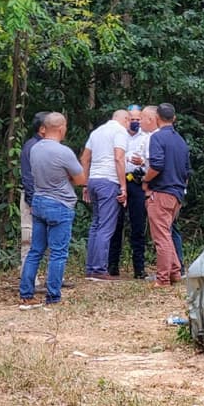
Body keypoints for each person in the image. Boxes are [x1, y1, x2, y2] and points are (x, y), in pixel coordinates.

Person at [19, 113, 87, 308]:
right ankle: (53, 296)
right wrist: (68, 177)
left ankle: (26, 294)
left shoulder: (34, 148)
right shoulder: (63, 152)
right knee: (58, 252)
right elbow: (81, 180)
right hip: (60, 204)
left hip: (39, 201)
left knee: (35, 251)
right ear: (61, 128)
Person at [142, 103, 191, 288]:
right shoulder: (180, 141)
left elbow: (157, 165)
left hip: (161, 192)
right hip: (177, 193)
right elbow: (187, 172)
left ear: (156, 118)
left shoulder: (157, 138)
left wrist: (145, 181)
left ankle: (162, 279)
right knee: (167, 234)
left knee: (161, 237)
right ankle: (175, 272)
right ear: (174, 118)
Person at [81, 110, 130, 280]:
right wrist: (123, 187)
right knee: (106, 226)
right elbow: (118, 158)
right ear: (125, 119)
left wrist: (86, 182)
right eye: (129, 121)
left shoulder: (97, 132)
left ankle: (90, 267)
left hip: (94, 180)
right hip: (109, 180)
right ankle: (99, 269)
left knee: (96, 224)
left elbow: (85, 158)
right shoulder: (120, 132)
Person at [108, 105, 151, 279]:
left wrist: (142, 162)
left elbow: (152, 161)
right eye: (131, 119)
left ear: (141, 120)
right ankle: (112, 265)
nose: (134, 122)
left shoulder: (147, 137)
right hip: (119, 180)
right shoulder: (118, 134)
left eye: (137, 119)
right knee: (115, 224)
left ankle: (139, 268)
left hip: (137, 182)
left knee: (138, 226)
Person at [18, 111, 47, 268]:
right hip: (33, 197)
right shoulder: (32, 147)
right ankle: (28, 277)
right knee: (28, 237)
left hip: (42, 197)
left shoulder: (43, 146)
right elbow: (28, 176)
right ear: (42, 129)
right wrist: (31, 200)